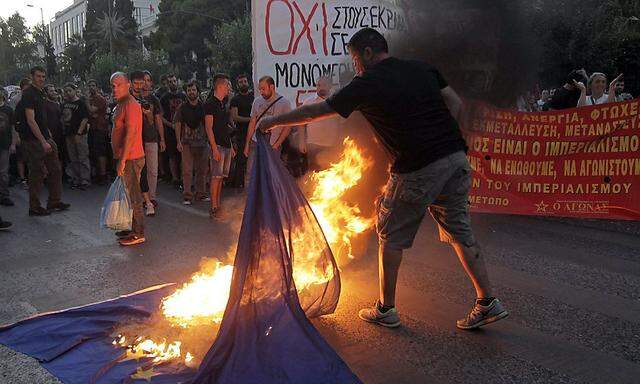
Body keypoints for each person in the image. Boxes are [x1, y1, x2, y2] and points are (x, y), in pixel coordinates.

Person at [258, 28, 508, 330]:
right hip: (455, 160)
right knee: (460, 233)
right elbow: (454, 104)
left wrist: (273, 120)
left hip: (417, 168)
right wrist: (445, 138)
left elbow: (317, 111)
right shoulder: (422, 68)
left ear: (366, 52)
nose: (355, 66)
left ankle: (386, 308)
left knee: (390, 235)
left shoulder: (367, 82)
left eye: (354, 58)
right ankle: (487, 301)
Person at [17, 66, 69, 216]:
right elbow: (30, 120)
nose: (41, 79)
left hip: (45, 136)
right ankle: (34, 206)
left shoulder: (41, 93)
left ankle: (54, 201)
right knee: (37, 172)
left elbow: (41, 117)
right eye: (38, 76)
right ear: (32, 77)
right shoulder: (28, 94)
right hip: (33, 140)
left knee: (55, 169)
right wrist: (42, 141)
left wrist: (48, 135)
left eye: (43, 76)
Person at [110, 72, 146, 246]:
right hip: (126, 157)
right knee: (128, 195)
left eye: (118, 85)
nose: (115, 89)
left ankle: (138, 232)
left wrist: (122, 159)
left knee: (134, 196)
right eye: (113, 86)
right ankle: (132, 227)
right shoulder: (122, 104)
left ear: (128, 85)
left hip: (131, 158)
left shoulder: (131, 105)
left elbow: (130, 134)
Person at [244, 76, 293, 186]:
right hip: (256, 142)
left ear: (272, 87)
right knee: (250, 172)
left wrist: (277, 144)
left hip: (272, 144)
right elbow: (252, 122)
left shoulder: (284, 103)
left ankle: (269, 200)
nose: (261, 92)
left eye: (263, 89)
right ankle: (249, 200)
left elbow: (287, 126)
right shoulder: (257, 101)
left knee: (270, 174)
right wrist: (247, 143)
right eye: (260, 89)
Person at [131, 70, 164, 216]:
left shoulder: (153, 99)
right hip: (135, 140)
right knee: (139, 171)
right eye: (142, 80)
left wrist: (162, 138)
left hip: (150, 137)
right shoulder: (131, 98)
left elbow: (156, 120)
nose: (145, 83)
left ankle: (151, 197)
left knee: (153, 169)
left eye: (148, 80)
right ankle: (140, 198)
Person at [205, 74, 235, 218]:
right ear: (221, 86)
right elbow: (209, 127)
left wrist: (231, 146)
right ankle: (214, 207)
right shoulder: (210, 104)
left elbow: (224, 127)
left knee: (221, 176)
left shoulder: (223, 104)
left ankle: (218, 204)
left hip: (226, 144)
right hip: (217, 145)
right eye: (227, 85)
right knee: (215, 176)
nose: (229, 88)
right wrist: (214, 148)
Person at [176, 80, 209, 205]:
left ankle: (201, 194)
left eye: (193, 90)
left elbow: (208, 124)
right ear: (186, 92)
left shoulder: (204, 107)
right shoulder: (182, 108)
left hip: (202, 142)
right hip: (187, 143)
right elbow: (178, 124)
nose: (191, 92)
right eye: (189, 90)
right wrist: (178, 141)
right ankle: (187, 196)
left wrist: (210, 140)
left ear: (198, 92)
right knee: (187, 170)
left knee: (202, 170)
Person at [301, 76, 343, 171]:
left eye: (324, 85)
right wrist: (302, 142)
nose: (321, 88)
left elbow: (342, 123)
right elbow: (301, 124)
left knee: (330, 174)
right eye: (318, 85)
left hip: (330, 145)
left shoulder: (336, 101)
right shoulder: (308, 102)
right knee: (313, 177)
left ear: (330, 86)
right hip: (312, 145)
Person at [61, 83, 91, 189]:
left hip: (79, 134)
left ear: (74, 90)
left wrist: (79, 133)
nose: (68, 93)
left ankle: (85, 179)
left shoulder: (80, 103)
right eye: (66, 91)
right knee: (73, 157)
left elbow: (85, 119)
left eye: (69, 90)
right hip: (68, 134)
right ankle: (76, 178)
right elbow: (63, 117)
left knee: (82, 156)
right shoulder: (65, 104)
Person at [159, 74, 187, 188]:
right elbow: (160, 116)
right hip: (170, 130)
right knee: (172, 155)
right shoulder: (164, 98)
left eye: (174, 81)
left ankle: (182, 178)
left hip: (183, 130)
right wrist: (171, 125)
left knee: (183, 155)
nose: (173, 83)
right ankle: (175, 178)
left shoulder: (183, 96)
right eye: (170, 81)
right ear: (167, 83)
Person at [228, 74, 254, 188]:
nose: (243, 84)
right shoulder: (235, 100)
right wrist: (251, 119)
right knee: (241, 159)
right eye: (241, 82)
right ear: (237, 85)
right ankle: (239, 184)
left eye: (245, 81)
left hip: (255, 132)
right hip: (242, 132)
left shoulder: (254, 96)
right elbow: (235, 116)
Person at [86, 79, 109, 185]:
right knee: (93, 152)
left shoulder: (99, 98)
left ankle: (103, 175)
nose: (91, 87)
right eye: (89, 85)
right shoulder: (90, 98)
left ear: (97, 87)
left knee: (101, 152)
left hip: (100, 128)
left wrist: (87, 102)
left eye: (93, 85)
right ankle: (97, 174)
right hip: (92, 128)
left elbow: (91, 110)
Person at [0, 89, 17, 206]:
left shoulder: (9, 110)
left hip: (5, 144)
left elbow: (13, 128)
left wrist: (13, 143)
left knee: (3, 172)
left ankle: (4, 195)